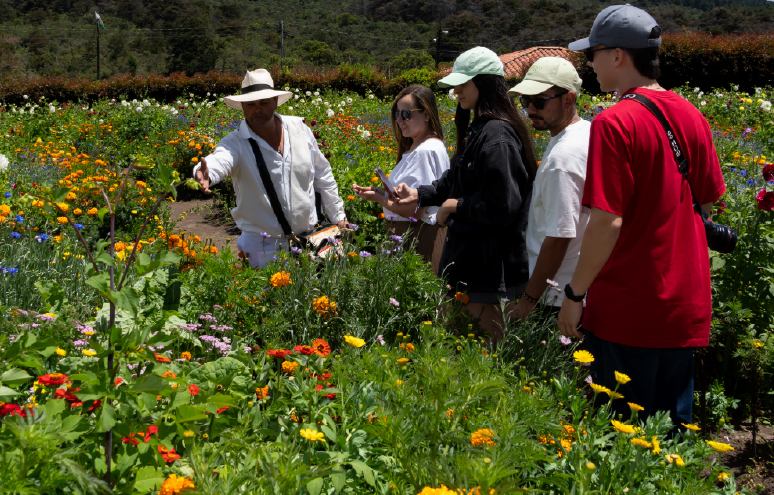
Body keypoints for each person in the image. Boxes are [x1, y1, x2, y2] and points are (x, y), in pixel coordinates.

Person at [559, 4, 725, 427]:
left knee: (619, 441)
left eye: (593, 52)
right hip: (682, 303)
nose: (590, 63)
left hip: (628, 308)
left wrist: (575, 295)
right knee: (671, 441)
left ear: (618, 56)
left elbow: (607, 221)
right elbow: (704, 206)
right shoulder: (692, 115)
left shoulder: (614, 122)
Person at [394, 47, 537, 337]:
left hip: (489, 272)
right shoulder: (482, 129)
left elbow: (503, 205)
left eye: (463, 83)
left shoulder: (497, 136)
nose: (456, 90)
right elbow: (456, 179)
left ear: (483, 83)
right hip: (471, 265)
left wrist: (454, 206)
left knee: (481, 356)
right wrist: (420, 194)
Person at [194, 69, 349, 268]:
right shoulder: (236, 143)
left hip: (310, 240)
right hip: (262, 249)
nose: (257, 109)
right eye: (250, 104)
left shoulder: (299, 129)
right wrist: (206, 173)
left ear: (275, 102)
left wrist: (339, 215)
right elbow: (219, 160)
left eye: (263, 102)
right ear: (242, 106)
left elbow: (322, 174)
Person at [504, 56, 590, 320]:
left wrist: (529, 300)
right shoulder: (588, 132)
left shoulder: (562, 158)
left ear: (568, 100)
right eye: (525, 101)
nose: (529, 109)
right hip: (576, 288)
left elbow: (558, 238)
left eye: (539, 101)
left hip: (556, 296)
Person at [352, 84, 450, 272]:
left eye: (406, 114)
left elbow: (415, 212)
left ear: (427, 115)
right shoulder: (429, 146)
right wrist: (382, 192)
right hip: (416, 237)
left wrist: (379, 198)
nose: (399, 120)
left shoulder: (425, 151)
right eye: (397, 114)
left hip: (415, 239)